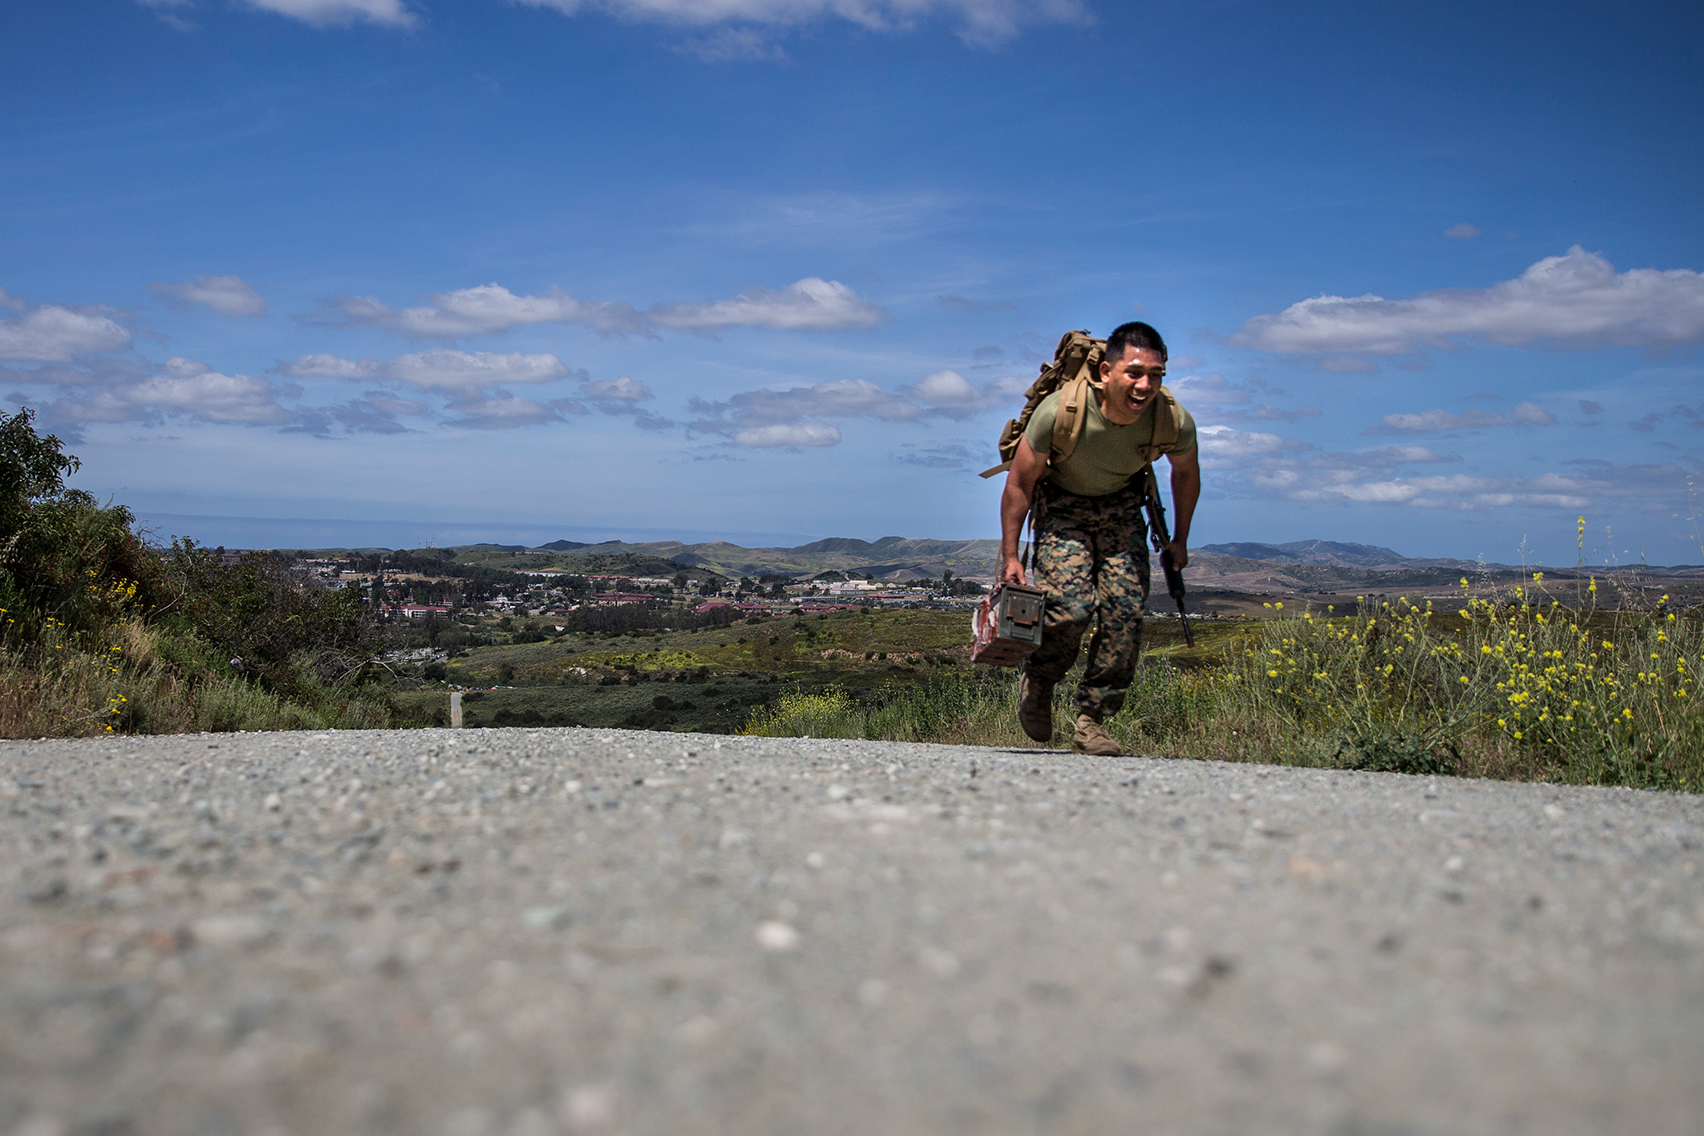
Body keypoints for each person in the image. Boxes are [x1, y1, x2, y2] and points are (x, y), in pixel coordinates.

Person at [998, 321, 1200, 756]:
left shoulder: (1171, 419)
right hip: (1063, 507)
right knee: (1070, 609)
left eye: (1157, 375)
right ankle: (1041, 678)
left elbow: (1186, 472)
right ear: (1106, 371)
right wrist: (1011, 555)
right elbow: (1019, 483)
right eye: (1135, 372)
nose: (1146, 385)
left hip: (1122, 510)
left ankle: (1092, 722)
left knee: (1125, 612)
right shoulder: (1061, 411)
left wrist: (1179, 539)